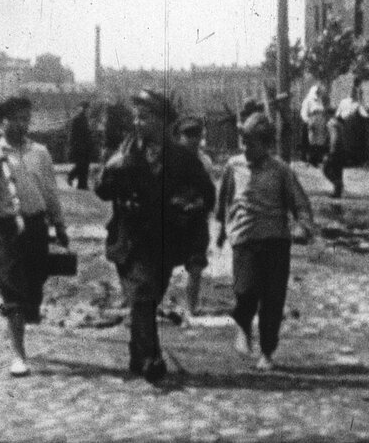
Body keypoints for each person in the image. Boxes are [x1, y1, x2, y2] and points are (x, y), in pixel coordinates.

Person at [95, 88, 215, 384]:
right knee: (143, 295)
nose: (138, 123)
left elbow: (206, 196)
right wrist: (112, 169)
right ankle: (152, 358)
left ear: (164, 123)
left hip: (165, 240)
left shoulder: (182, 158)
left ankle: (138, 352)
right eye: (135, 117)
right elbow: (101, 189)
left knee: (148, 298)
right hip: (130, 238)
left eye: (145, 117)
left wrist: (187, 208)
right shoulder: (126, 151)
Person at [0, 96, 69, 378]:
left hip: (36, 227)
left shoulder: (40, 153)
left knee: (33, 287)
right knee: (12, 292)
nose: (23, 124)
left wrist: (60, 226)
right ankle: (19, 355)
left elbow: (50, 192)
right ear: (1, 122)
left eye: (26, 118)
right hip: (5, 230)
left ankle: (27, 310)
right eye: (16, 119)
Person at [216, 112, 316, 371]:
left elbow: (300, 203)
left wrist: (304, 227)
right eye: (243, 142)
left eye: (251, 143)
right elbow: (223, 199)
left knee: (272, 299)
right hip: (244, 239)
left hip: (276, 241)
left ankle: (267, 352)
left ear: (266, 144)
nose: (245, 148)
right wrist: (219, 229)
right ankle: (243, 325)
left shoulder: (281, 170)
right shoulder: (233, 166)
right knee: (245, 290)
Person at [173, 116, 215, 317]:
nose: (193, 140)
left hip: (197, 220)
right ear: (180, 137)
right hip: (173, 219)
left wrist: (201, 204)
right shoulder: (169, 160)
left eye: (196, 135)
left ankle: (191, 306)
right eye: (188, 135)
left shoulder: (205, 161)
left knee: (196, 266)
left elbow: (209, 193)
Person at [299, 83, 330, 167]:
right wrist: (308, 122)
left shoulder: (319, 101)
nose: (318, 93)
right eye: (317, 92)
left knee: (319, 141)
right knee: (312, 141)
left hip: (320, 123)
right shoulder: (308, 100)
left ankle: (317, 159)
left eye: (319, 92)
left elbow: (322, 110)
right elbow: (304, 113)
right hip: (312, 122)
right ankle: (310, 160)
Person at [66, 101, 93, 190]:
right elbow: (74, 135)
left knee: (84, 166)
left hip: (84, 147)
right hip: (80, 147)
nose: (90, 111)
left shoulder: (84, 119)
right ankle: (78, 181)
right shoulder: (78, 119)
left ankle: (81, 184)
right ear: (85, 109)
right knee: (82, 166)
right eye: (88, 109)